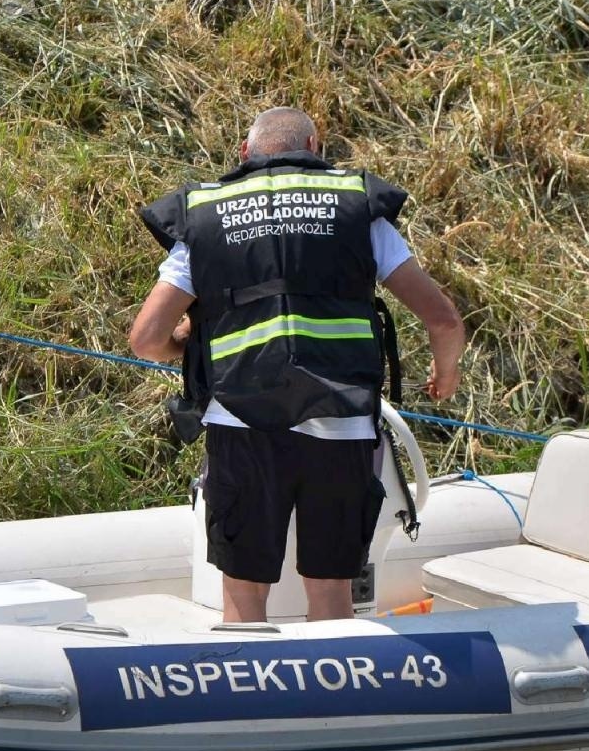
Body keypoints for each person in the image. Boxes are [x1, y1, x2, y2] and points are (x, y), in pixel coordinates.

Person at [129, 107, 465, 623]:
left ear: (245, 153)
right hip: (343, 424)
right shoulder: (358, 210)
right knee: (330, 594)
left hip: (239, 423)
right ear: (316, 145)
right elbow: (443, 320)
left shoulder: (204, 215)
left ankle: (247, 693)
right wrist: (446, 374)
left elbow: (146, 339)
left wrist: (187, 348)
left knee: (244, 596)